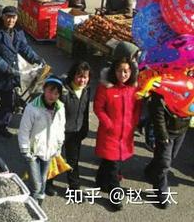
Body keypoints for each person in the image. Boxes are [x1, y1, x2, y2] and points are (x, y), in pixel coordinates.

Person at [0, 6, 44, 137]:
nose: (10, 20)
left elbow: (24, 48)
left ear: (17, 18)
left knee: (8, 103)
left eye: (13, 17)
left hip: (10, 76)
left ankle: (1, 127)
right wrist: (7, 69)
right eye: (8, 17)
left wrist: (37, 59)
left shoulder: (18, 31)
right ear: (2, 17)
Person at [94, 57, 139, 211]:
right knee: (113, 166)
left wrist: (134, 123)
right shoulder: (106, 88)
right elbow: (98, 108)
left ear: (131, 72)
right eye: (120, 70)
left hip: (125, 134)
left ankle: (100, 181)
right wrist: (108, 124)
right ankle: (115, 198)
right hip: (109, 134)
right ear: (114, 71)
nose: (123, 74)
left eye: (126, 70)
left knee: (110, 162)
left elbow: (137, 108)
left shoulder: (134, 89)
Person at [45, 61, 92, 195]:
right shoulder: (63, 90)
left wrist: (84, 128)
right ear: (73, 75)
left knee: (73, 160)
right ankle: (48, 183)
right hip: (60, 132)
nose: (82, 80)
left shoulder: (87, 89)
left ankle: (74, 187)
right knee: (54, 158)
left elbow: (85, 111)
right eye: (79, 76)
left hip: (76, 132)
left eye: (85, 77)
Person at [18, 76, 65, 207]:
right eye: (50, 91)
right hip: (33, 151)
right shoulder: (32, 108)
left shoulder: (60, 108)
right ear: (44, 89)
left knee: (43, 178)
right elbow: (24, 130)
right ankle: (34, 206)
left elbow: (61, 128)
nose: (52, 95)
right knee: (36, 184)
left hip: (49, 151)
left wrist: (59, 145)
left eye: (56, 93)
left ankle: (39, 202)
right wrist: (24, 149)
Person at [144, 92, 191, 209]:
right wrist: (162, 134)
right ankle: (161, 192)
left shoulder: (189, 79)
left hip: (182, 128)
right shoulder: (164, 82)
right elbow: (156, 109)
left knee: (169, 158)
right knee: (164, 163)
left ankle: (150, 171)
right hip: (166, 132)